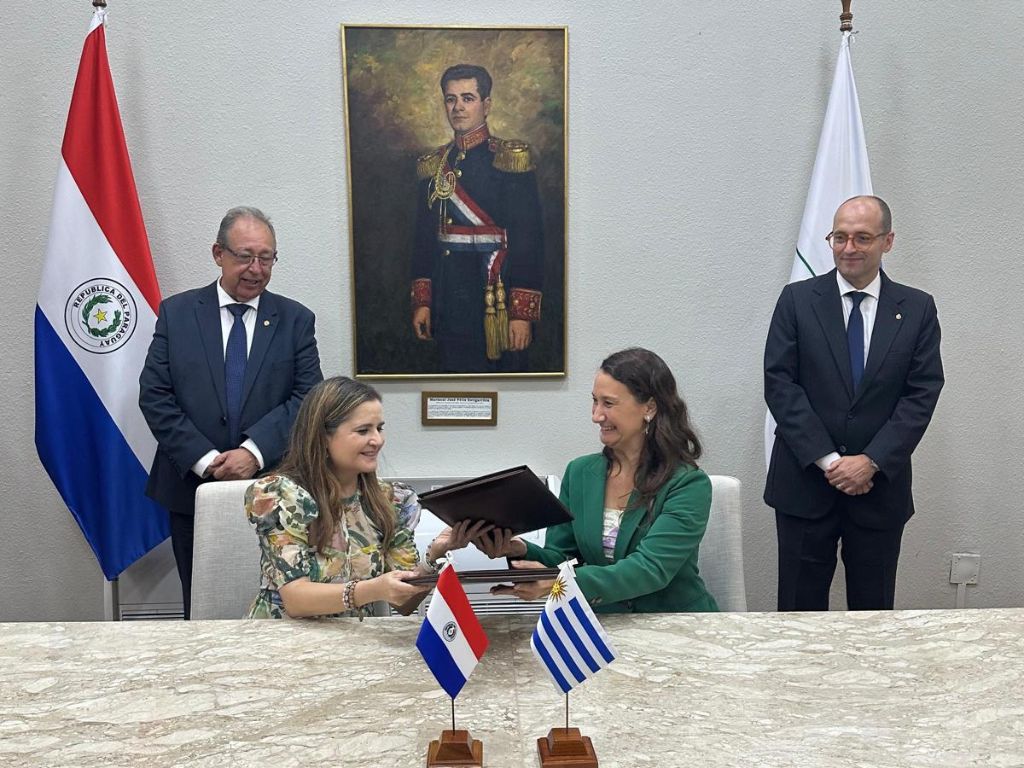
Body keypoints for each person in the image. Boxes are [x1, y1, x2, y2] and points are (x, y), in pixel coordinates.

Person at [139, 206, 323, 619]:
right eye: (245, 256)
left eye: (266, 258)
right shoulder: (177, 313)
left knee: (281, 608)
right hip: (192, 489)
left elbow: (308, 398)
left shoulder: (295, 320)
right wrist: (206, 460)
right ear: (218, 254)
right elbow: (155, 395)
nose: (256, 269)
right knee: (202, 608)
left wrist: (253, 453)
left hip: (276, 492)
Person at [764, 195, 944, 611]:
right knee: (798, 616)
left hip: (878, 490)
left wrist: (871, 461)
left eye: (862, 237)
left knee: (873, 616)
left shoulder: (917, 308)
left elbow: (922, 392)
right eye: (840, 237)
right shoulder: (797, 300)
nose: (849, 248)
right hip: (805, 486)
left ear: (887, 241)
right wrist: (830, 461)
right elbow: (780, 384)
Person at [470, 348, 718, 613]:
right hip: (601, 623)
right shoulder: (579, 472)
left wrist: (559, 581)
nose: (596, 415)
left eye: (608, 403)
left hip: (677, 623)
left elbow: (651, 569)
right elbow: (564, 557)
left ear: (649, 407)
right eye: (594, 401)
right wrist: (518, 549)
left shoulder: (688, 484)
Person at [245, 377, 482, 618]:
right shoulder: (280, 495)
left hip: (356, 638)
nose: (377, 440)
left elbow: (404, 605)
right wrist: (373, 589)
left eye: (379, 428)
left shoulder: (392, 501)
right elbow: (296, 601)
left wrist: (435, 555)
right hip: (282, 636)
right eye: (363, 430)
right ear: (323, 437)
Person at [410, 63, 544, 373]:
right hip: (446, 299)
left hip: (494, 299)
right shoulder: (435, 164)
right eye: (451, 99)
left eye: (467, 98)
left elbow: (529, 240)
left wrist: (521, 313)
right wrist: (423, 302)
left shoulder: (508, 160)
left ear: (487, 105)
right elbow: (423, 240)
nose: (457, 107)